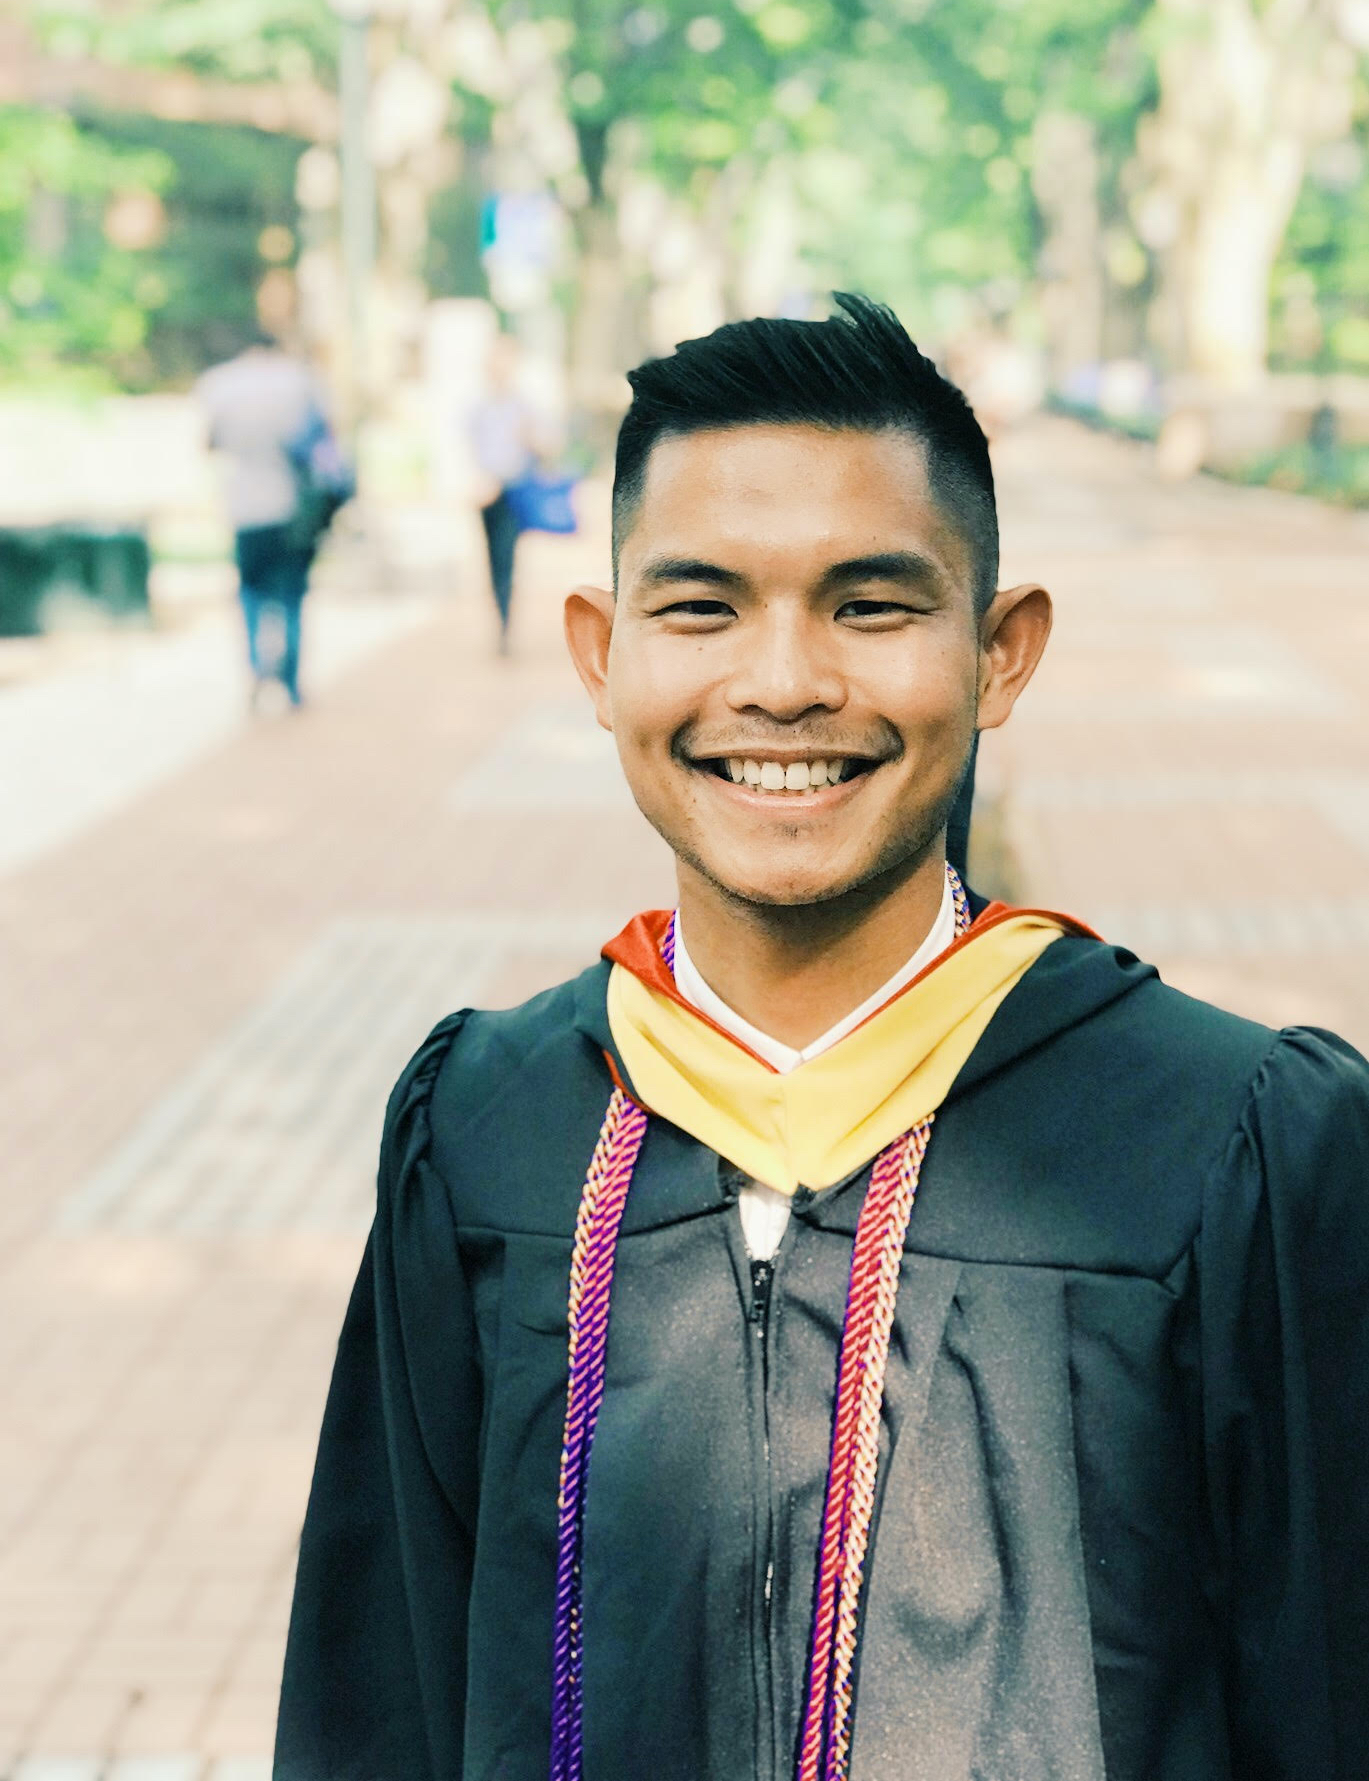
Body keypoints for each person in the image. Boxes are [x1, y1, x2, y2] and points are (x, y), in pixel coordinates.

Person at [275, 296, 1369, 1781]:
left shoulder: (1227, 1143)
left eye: (870, 605)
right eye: (700, 605)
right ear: (598, 657)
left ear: (999, 653)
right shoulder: (486, 1131)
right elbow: (381, 1693)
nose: (783, 680)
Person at [199, 339, 338, 709]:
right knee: (291, 595)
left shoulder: (222, 387)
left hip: (246, 509)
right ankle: (290, 680)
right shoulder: (299, 384)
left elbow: (208, 442)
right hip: (292, 508)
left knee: (252, 594)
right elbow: (325, 444)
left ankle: (259, 668)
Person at [467, 333, 537, 654]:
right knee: (492, 560)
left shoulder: (522, 406)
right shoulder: (479, 407)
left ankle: (506, 624)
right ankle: (500, 617)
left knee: (506, 558)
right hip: (487, 493)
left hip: (513, 490)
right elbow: (473, 451)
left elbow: (541, 445)